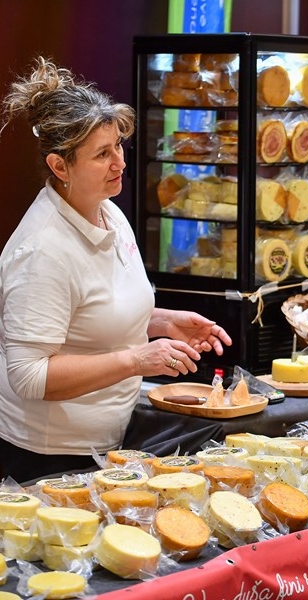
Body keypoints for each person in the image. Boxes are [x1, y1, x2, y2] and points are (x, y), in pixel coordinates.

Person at [0, 57, 232, 483]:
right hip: (48, 456)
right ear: (59, 166)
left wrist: (160, 322)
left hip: (107, 440)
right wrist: (136, 359)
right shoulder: (41, 251)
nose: (120, 163)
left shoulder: (109, 212)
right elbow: (30, 376)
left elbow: (92, 312)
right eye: (102, 154)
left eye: (118, 146)